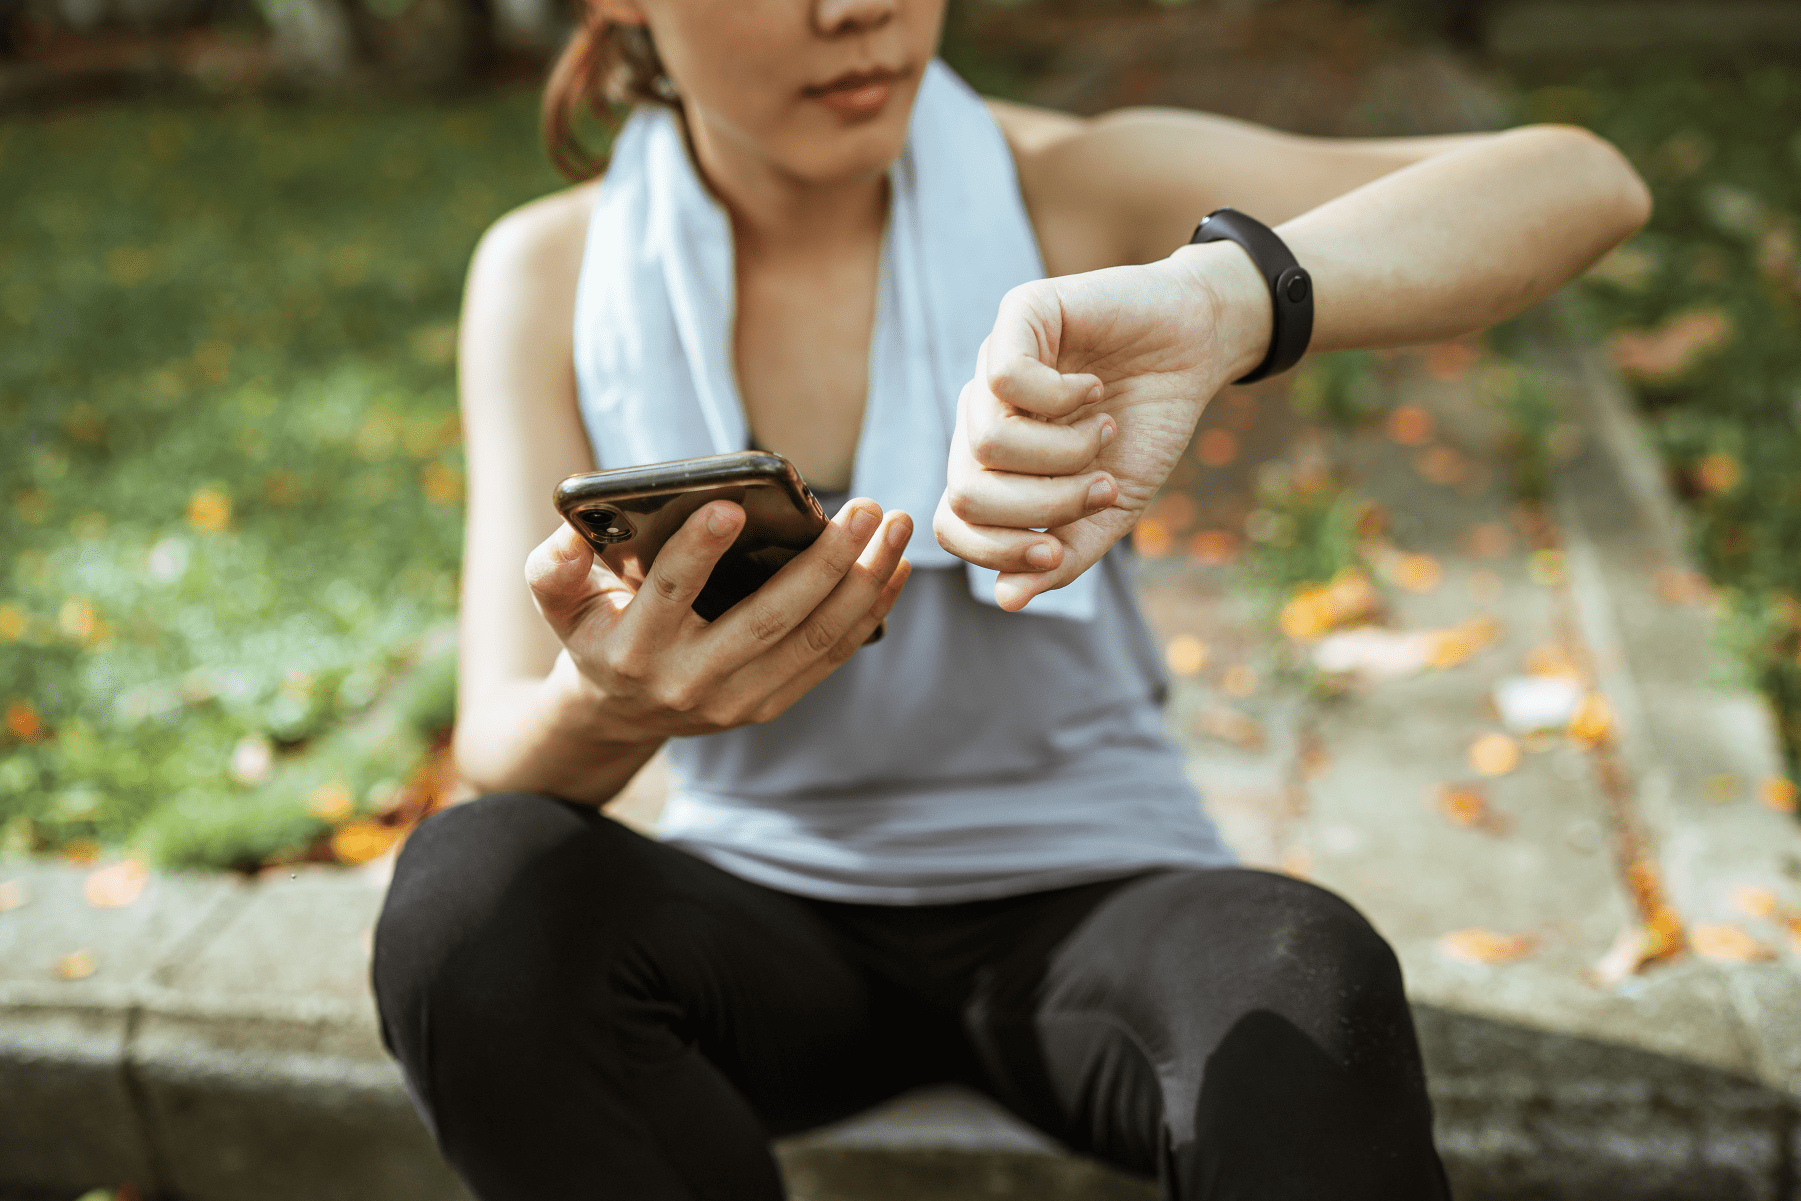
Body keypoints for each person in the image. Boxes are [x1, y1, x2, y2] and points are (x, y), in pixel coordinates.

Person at [372, 1, 1651, 1197]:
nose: (854, 11)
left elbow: (1582, 180)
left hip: (1096, 899)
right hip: (764, 916)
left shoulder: (1074, 189)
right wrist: (613, 704)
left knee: (1304, 973)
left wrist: (1225, 297)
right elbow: (501, 740)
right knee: (469, 898)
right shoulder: (551, 272)